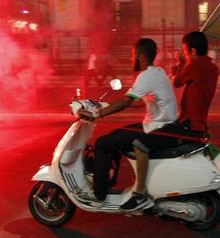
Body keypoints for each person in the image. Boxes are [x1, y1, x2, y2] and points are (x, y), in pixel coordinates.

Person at [77, 38, 179, 211]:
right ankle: (109, 182)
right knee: (117, 134)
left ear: (141, 56)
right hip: (161, 125)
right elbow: (139, 101)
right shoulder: (158, 72)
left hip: (160, 129)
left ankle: (103, 193)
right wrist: (107, 106)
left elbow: (126, 101)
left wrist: (97, 114)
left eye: (133, 55)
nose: (132, 59)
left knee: (102, 143)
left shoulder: (147, 75)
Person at [172, 31, 219, 133]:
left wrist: (180, 63)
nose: (184, 54)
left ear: (193, 51)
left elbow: (177, 83)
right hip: (200, 121)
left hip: (190, 123)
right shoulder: (213, 68)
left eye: (184, 51)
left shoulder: (196, 65)